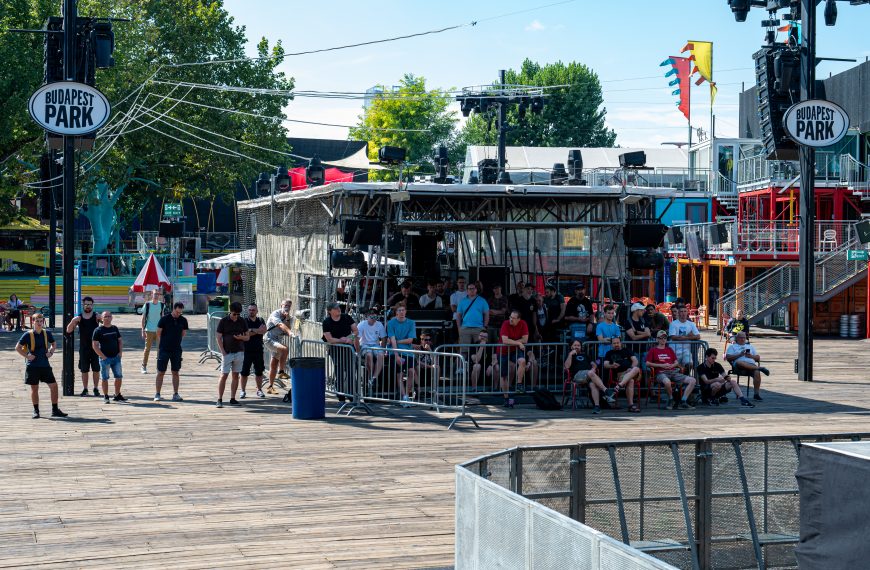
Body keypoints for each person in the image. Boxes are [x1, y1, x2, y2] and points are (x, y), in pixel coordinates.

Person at [16, 313, 66, 419]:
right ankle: (36, 410)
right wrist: (27, 356)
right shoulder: (27, 334)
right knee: (34, 388)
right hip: (33, 366)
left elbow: (54, 343)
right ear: (33, 322)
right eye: (37, 321)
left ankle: (55, 409)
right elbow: (18, 347)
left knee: (54, 386)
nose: (39, 323)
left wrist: (51, 352)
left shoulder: (46, 333)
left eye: (41, 321)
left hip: (45, 365)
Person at [645, 330, 697, 410]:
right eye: (661, 338)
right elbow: (647, 363)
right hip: (660, 373)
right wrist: (661, 365)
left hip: (673, 371)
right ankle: (671, 399)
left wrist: (672, 365)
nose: (663, 339)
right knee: (667, 382)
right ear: (657, 339)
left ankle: (683, 401)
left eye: (665, 338)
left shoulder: (669, 349)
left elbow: (676, 362)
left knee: (692, 380)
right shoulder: (653, 350)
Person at [215, 302, 251, 408]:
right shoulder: (223, 321)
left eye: (238, 314)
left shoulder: (242, 321)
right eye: (234, 314)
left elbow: (247, 337)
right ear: (230, 312)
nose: (236, 316)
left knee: (236, 375)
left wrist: (241, 338)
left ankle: (233, 398)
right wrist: (223, 352)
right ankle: (219, 399)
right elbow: (218, 337)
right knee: (224, 375)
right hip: (227, 352)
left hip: (239, 351)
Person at [322, 302, 359, 402]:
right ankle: (341, 396)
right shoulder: (326, 322)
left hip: (349, 348)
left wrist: (349, 338)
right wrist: (342, 340)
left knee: (351, 371)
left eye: (338, 307)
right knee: (339, 372)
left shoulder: (346, 317)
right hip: (336, 350)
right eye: (335, 308)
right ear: (330, 311)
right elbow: (329, 339)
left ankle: (352, 396)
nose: (338, 309)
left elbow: (356, 331)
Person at [66, 296, 101, 396]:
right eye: (86, 304)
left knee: (96, 369)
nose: (88, 306)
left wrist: (102, 318)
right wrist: (73, 321)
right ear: (83, 305)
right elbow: (68, 330)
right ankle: (85, 389)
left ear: (92, 305)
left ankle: (96, 388)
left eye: (89, 304)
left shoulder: (96, 316)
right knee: (84, 370)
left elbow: (108, 324)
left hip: (96, 348)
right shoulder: (79, 318)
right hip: (84, 348)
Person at [564, 339, 611, 414]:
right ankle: (605, 390)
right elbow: (566, 367)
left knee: (593, 384)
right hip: (577, 376)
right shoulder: (569, 355)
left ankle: (597, 406)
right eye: (575, 345)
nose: (577, 347)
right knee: (590, 373)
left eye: (578, 345)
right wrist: (570, 354)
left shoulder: (585, 355)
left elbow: (594, 364)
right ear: (571, 347)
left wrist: (593, 368)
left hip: (588, 375)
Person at [154, 302, 188, 402]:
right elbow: (158, 333)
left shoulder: (183, 320)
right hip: (164, 349)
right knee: (161, 372)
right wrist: (163, 344)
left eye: (180, 313)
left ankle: (175, 394)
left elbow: (183, 333)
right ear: (173, 309)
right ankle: (157, 393)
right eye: (177, 312)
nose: (178, 314)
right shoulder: (164, 319)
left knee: (175, 372)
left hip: (177, 350)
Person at [725, 331, 769, 401]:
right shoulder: (732, 347)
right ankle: (760, 368)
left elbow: (758, 358)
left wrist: (751, 356)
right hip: (738, 367)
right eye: (741, 338)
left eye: (744, 338)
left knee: (757, 372)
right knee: (739, 362)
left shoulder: (750, 346)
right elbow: (728, 357)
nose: (742, 339)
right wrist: (740, 354)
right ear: (737, 338)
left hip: (751, 366)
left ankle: (756, 394)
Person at [386, 304, 417, 406]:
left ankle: (406, 396)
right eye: (399, 310)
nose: (401, 312)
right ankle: (404, 397)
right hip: (395, 352)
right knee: (399, 374)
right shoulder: (390, 323)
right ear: (396, 312)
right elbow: (392, 340)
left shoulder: (411, 323)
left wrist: (398, 341)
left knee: (412, 372)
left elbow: (410, 340)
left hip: (408, 352)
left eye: (403, 310)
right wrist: (396, 355)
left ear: (406, 311)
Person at [91, 311, 125, 404]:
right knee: (105, 378)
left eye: (109, 316)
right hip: (105, 358)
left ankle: (117, 394)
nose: (107, 318)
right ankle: (106, 396)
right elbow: (95, 345)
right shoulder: (98, 330)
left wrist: (120, 353)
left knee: (119, 376)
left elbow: (120, 341)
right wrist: (103, 357)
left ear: (112, 318)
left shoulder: (114, 328)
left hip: (116, 357)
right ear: (101, 318)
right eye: (105, 316)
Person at [498, 310, 529, 407]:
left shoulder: (523, 323)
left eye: (513, 318)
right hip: (503, 351)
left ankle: (519, 384)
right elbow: (505, 340)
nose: (511, 319)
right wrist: (519, 343)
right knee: (503, 376)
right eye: (510, 317)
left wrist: (516, 342)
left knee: (522, 361)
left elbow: (525, 339)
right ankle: (506, 398)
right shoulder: (505, 323)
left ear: (519, 319)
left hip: (514, 350)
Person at [602, 337, 641, 413]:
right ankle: (631, 406)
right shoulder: (609, 353)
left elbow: (635, 361)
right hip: (620, 375)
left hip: (631, 372)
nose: (616, 344)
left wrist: (630, 368)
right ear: (611, 344)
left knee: (636, 369)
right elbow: (605, 365)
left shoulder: (627, 350)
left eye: (618, 343)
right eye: (614, 343)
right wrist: (612, 366)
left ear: (621, 343)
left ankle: (618, 386)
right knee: (631, 381)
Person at [264, 299, 295, 395]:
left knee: (273, 364)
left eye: (289, 306)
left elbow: (288, 327)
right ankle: (281, 371)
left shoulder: (288, 317)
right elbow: (281, 325)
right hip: (269, 339)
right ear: (281, 305)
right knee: (285, 349)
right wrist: (290, 333)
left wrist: (288, 319)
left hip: (278, 340)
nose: (287, 307)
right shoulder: (275, 314)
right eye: (285, 305)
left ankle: (270, 386)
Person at [240, 303, 268, 399]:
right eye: (250, 310)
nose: (251, 311)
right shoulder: (244, 321)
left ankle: (259, 390)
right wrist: (256, 330)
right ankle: (243, 391)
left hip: (258, 350)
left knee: (259, 371)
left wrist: (251, 330)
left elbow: (264, 330)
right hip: (246, 350)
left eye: (253, 310)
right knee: (244, 372)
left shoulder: (260, 320)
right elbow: (245, 334)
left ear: (257, 311)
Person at [357, 308, 387, 390]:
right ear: (367, 316)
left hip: (375, 345)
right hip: (364, 344)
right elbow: (357, 338)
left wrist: (383, 350)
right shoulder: (362, 324)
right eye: (372, 315)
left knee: (381, 355)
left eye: (375, 316)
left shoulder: (379, 324)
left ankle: (374, 378)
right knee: (369, 355)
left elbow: (384, 338)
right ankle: (370, 377)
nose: (374, 318)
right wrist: (358, 351)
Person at [668, 305, 701, 373]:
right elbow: (673, 337)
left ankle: (686, 379)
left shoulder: (691, 324)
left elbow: (698, 336)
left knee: (689, 365)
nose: (683, 313)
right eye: (681, 311)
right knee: (675, 369)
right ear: (678, 313)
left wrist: (684, 337)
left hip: (686, 350)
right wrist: (689, 336)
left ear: (687, 312)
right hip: (674, 350)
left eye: (685, 311)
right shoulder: (673, 324)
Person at [140, 289, 164, 374]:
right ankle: (144, 365)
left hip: (158, 330)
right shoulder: (147, 304)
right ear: (151, 294)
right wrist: (142, 330)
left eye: (158, 294)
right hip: (149, 330)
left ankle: (159, 367)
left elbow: (162, 317)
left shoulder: (161, 305)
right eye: (155, 294)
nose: (156, 295)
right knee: (147, 349)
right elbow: (143, 318)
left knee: (159, 349)